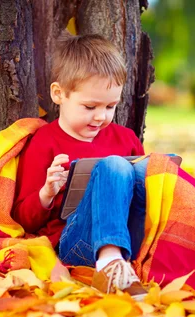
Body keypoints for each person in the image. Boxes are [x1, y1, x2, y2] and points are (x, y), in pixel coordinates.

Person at [12, 34, 148, 299]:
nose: (101, 116)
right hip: (77, 243)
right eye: (89, 106)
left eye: (111, 106)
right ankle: (109, 261)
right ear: (59, 94)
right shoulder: (45, 143)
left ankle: (119, 261)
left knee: (150, 171)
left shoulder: (126, 139)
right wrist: (46, 194)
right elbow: (21, 219)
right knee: (115, 167)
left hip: (130, 239)